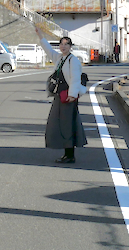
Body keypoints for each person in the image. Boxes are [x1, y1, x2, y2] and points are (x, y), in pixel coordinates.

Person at [44, 36, 88, 164]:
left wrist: (73, 94)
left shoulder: (72, 60)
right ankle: (67, 153)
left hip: (68, 97)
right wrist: (41, 36)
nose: (63, 46)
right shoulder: (60, 58)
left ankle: (70, 155)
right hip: (60, 96)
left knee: (67, 125)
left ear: (70, 46)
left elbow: (75, 78)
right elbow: (48, 51)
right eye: (61, 44)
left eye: (66, 44)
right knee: (59, 124)